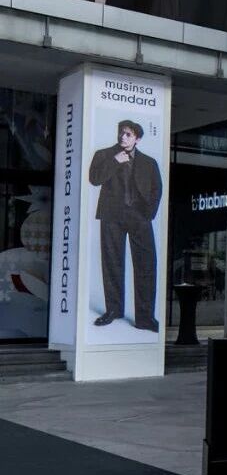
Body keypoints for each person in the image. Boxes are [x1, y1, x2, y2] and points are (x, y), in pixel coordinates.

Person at [88, 120, 162, 331]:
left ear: (137, 138)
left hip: (139, 217)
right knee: (112, 263)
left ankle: (145, 318)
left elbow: (157, 189)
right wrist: (114, 161)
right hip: (112, 216)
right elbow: (94, 179)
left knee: (146, 265)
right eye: (121, 133)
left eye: (128, 134)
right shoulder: (104, 155)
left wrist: (148, 215)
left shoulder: (149, 162)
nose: (123, 137)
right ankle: (113, 310)